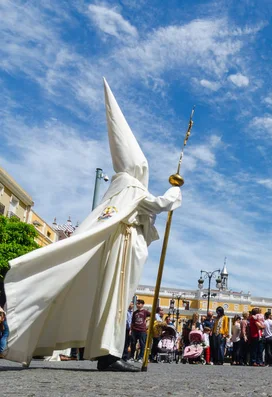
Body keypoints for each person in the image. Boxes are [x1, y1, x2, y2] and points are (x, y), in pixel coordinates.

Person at [2, 80, 182, 372]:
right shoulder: (130, 185)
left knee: (114, 300)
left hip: (123, 245)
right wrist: (175, 193)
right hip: (122, 248)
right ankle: (108, 354)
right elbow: (157, 204)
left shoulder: (120, 185)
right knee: (115, 300)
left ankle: (103, 351)